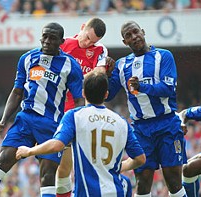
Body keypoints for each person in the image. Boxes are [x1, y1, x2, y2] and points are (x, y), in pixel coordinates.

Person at [0, 22, 84, 197]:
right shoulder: (27, 58)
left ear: (61, 41)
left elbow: (79, 99)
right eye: (45, 36)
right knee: (3, 159)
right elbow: (17, 91)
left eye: (53, 38)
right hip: (26, 119)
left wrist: (74, 128)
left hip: (52, 123)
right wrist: (3, 121)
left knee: (48, 174)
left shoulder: (70, 65)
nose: (47, 41)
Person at [15, 71, 146, 197]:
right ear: (106, 94)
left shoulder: (75, 116)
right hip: (116, 190)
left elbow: (57, 145)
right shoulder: (121, 122)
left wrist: (29, 151)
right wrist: (118, 167)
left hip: (87, 192)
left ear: (83, 93)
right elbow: (140, 159)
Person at [106, 21, 187, 197]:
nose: (134, 37)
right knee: (142, 183)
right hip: (141, 130)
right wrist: (106, 74)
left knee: (173, 181)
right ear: (124, 42)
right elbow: (107, 95)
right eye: (128, 35)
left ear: (143, 32)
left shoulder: (163, 56)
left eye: (136, 32)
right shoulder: (122, 65)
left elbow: (168, 89)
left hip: (167, 125)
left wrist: (142, 87)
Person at [56, 17, 115, 197]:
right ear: (82, 27)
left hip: (84, 114)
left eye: (92, 41)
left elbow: (98, 75)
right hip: (60, 111)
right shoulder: (63, 44)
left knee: (88, 166)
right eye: (87, 37)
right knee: (63, 168)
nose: (87, 43)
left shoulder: (100, 50)